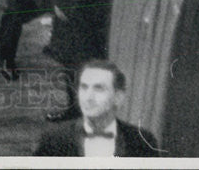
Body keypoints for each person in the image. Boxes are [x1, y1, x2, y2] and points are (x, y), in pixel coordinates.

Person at [34, 60, 162, 157]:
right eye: (84, 87)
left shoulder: (141, 141)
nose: (88, 97)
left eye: (98, 88)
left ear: (118, 97)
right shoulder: (54, 140)